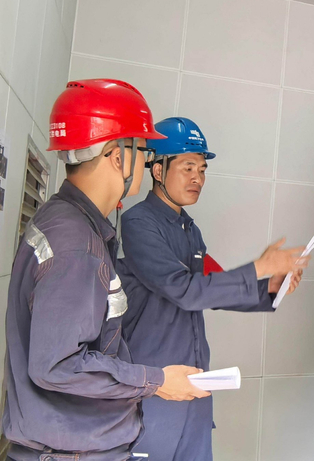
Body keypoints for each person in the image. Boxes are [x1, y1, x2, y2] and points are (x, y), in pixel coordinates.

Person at [2, 80, 211, 461]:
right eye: (143, 150)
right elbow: (59, 365)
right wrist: (158, 380)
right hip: (70, 452)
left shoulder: (71, 223)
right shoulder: (76, 243)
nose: (146, 162)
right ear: (118, 156)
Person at [117, 117, 308, 461]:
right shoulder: (139, 223)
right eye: (188, 167)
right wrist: (259, 267)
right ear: (158, 170)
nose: (198, 178)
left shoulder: (190, 230)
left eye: (202, 169)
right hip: (156, 391)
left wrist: (268, 288)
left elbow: (211, 286)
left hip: (195, 390)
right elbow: (185, 290)